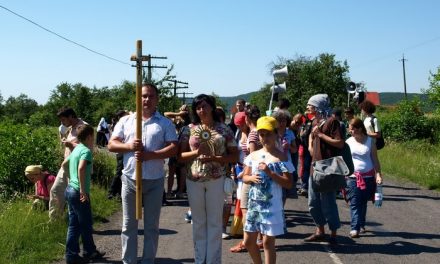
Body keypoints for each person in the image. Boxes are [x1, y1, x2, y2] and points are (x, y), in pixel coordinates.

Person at [108, 83, 178, 264]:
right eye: (144, 96)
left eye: (151, 96)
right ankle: (129, 261)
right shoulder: (126, 121)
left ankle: (148, 260)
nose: (147, 99)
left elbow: (173, 148)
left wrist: (151, 155)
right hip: (130, 179)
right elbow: (112, 144)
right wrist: (129, 146)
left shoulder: (164, 123)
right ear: (138, 98)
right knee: (128, 225)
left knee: (151, 226)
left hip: (154, 180)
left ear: (157, 99)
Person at [178, 94, 238, 264]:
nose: (201, 110)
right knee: (198, 222)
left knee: (214, 222)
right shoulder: (189, 129)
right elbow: (180, 156)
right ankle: (199, 259)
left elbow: (234, 156)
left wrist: (216, 158)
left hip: (216, 179)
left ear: (212, 107)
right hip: (193, 180)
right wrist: (196, 153)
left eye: (204, 106)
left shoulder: (224, 129)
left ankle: (213, 260)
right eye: (198, 107)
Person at [242, 116, 294, 264]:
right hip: (254, 205)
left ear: (276, 134)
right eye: (262, 134)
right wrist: (250, 178)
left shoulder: (281, 157)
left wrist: (271, 173)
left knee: (267, 243)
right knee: (248, 242)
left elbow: (289, 183)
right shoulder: (253, 155)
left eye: (268, 134)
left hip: (272, 206)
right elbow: (245, 176)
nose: (265, 138)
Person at [304, 94, 344, 246]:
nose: (308, 108)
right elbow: (312, 137)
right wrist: (310, 145)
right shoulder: (315, 120)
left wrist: (320, 135)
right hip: (315, 166)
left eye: (310, 105)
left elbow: (339, 143)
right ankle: (320, 231)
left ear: (317, 106)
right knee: (313, 202)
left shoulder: (332, 121)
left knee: (328, 203)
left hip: (328, 165)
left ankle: (333, 233)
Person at [63, 124, 105, 264]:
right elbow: (81, 168)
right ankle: (86, 252)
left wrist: (71, 179)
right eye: (93, 136)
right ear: (88, 137)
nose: (94, 139)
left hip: (70, 189)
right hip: (78, 192)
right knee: (85, 224)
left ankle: (73, 255)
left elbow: (64, 164)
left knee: (74, 224)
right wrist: (82, 190)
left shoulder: (76, 149)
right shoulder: (86, 151)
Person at [345, 118, 383, 238]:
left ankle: (361, 224)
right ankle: (355, 228)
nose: (350, 131)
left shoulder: (370, 141)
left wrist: (378, 174)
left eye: (352, 129)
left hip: (368, 176)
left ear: (359, 129)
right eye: (349, 129)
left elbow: (375, 159)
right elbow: (344, 159)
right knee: (354, 202)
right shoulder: (348, 142)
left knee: (363, 202)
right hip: (352, 177)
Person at [49, 107, 88, 221]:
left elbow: (87, 149)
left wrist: (71, 145)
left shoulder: (84, 127)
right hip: (66, 166)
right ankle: (54, 221)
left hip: (77, 168)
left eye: (63, 120)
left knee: (76, 196)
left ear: (71, 116)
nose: (62, 123)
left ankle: (83, 223)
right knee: (55, 190)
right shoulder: (70, 128)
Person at [108, 110, 130, 200]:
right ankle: (111, 192)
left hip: (123, 151)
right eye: (126, 115)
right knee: (119, 172)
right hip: (121, 152)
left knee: (122, 172)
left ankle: (118, 192)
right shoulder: (120, 125)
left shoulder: (121, 124)